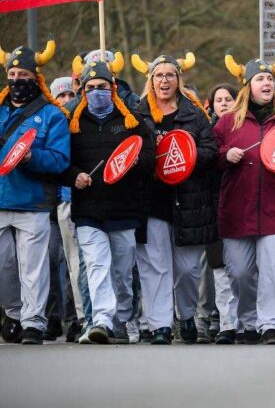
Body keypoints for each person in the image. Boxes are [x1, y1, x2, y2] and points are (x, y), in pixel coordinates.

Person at [215, 51, 275, 345]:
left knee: (274, 269)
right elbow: (209, 157)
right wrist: (224, 156)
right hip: (237, 209)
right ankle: (247, 322)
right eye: (260, 78)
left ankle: (271, 325)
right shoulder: (227, 122)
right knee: (240, 273)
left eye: (270, 78)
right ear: (248, 86)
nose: (267, 83)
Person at [63, 59, 154, 344]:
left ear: (112, 87)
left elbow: (149, 159)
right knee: (96, 264)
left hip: (124, 208)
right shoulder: (72, 123)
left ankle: (125, 318)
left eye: (101, 87)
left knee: (122, 272)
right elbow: (62, 161)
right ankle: (101, 320)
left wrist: (136, 162)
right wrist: (74, 175)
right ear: (83, 90)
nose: (96, 92)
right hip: (88, 209)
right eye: (90, 88)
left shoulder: (132, 120)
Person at [131, 51, 217, 344]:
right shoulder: (137, 114)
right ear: (151, 81)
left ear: (178, 80)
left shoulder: (194, 113)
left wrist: (188, 153)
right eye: (158, 75)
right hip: (151, 202)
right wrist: (150, 153)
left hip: (189, 201)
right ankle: (160, 326)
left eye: (170, 75)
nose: (164, 80)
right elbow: (129, 154)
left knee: (188, 269)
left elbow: (211, 151)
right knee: (155, 267)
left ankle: (187, 315)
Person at [0, 39, 71, 344]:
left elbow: (60, 160)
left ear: (36, 78)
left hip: (34, 202)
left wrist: (32, 157)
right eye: (12, 77)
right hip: (1, 199)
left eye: (24, 77)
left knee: (34, 267)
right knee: (3, 266)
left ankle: (34, 322)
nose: (17, 82)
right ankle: (14, 313)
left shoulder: (52, 115)